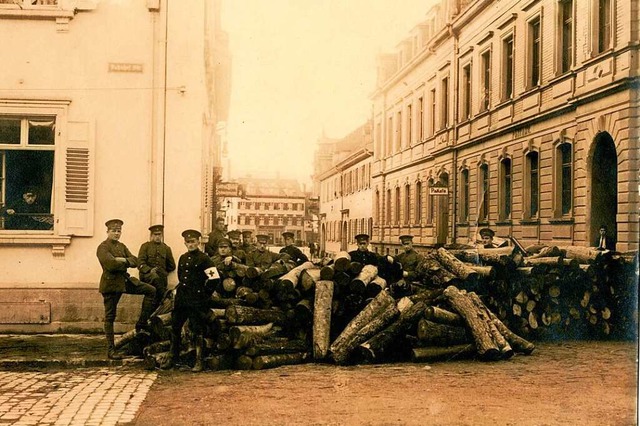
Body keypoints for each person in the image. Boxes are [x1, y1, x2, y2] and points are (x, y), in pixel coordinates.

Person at [97, 219, 156, 360]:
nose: (117, 233)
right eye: (114, 231)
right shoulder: (103, 247)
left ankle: (141, 323)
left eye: (119, 231)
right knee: (110, 317)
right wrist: (123, 261)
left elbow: (135, 261)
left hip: (125, 281)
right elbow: (110, 265)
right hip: (111, 284)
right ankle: (111, 350)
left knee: (151, 290)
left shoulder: (122, 246)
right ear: (107, 232)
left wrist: (122, 260)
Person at [160, 229, 219, 372]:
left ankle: (199, 361)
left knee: (197, 328)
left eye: (193, 242)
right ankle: (173, 358)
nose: (190, 244)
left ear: (198, 242)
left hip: (196, 300)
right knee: (175, 327)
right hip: (182, 299)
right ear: (184, 243)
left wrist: (204, 294)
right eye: (188, 242)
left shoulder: (204, 259)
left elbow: (215, 278)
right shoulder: (183, 257)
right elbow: (181, 278)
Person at [137, 224, 176, 310]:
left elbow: (172, 265)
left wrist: (163, 271)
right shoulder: (145, 246)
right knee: (155, 294)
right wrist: (149, 270)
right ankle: (164, 295)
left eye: (159, 234)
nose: (158, 237)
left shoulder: (166, 248)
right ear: (151, 236)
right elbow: (140, 262)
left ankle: (153, 319)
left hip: (161, 279)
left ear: (162, 235)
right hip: (148, 277)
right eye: (155, 234)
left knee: (157, 299)